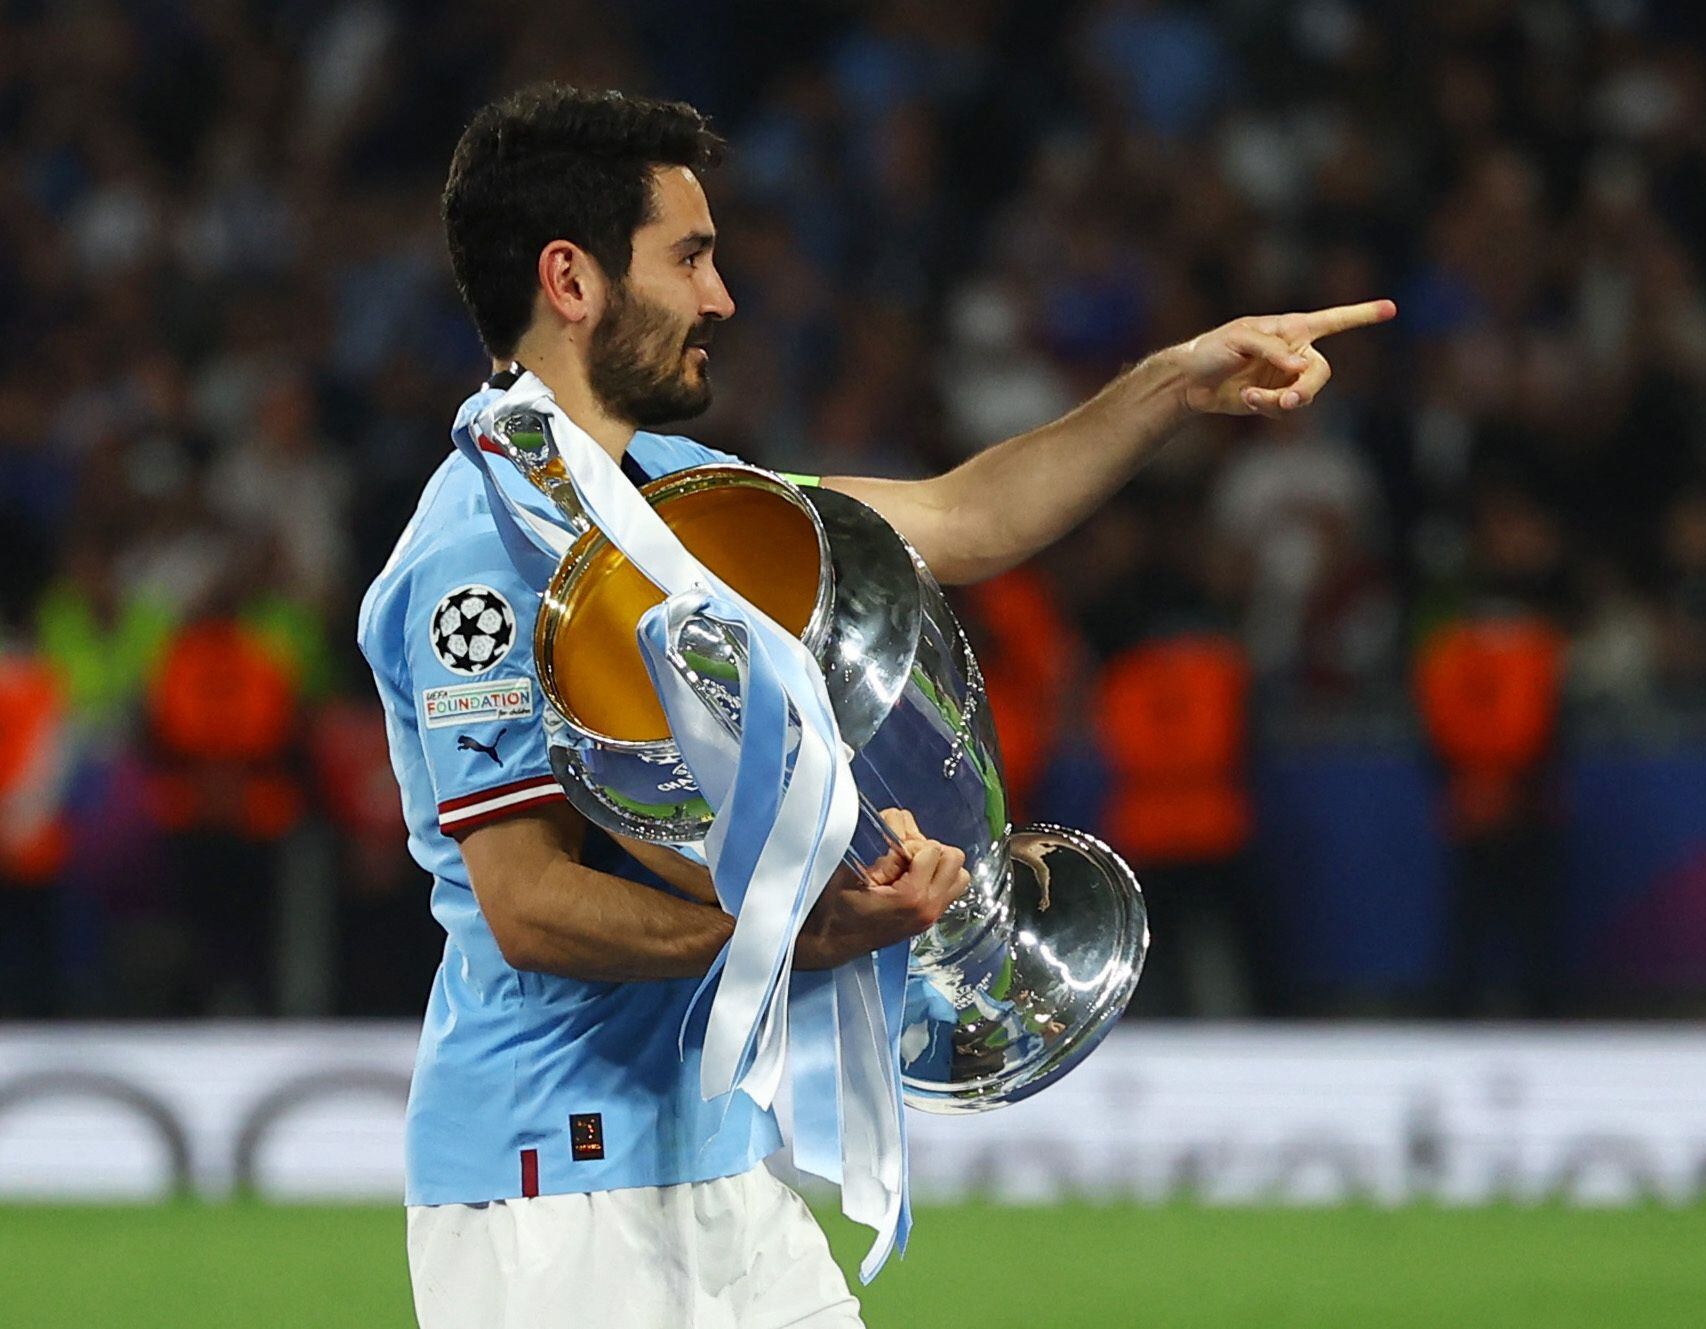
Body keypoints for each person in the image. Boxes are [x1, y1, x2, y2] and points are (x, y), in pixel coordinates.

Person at [361, 82, 1393, 1328]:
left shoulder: (680, 493)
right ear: (570, 282)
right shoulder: (477, 555)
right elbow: (527, 907)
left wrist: (1175, 384)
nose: (719, 296)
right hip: (551, 1190)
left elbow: (960, 519)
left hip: (720, 1160)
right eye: (688, 256)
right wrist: (811, 935)